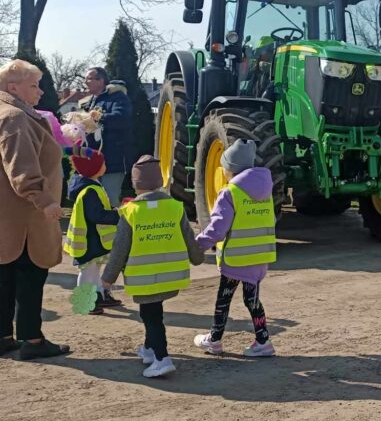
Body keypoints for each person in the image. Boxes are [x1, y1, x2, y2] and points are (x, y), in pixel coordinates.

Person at [0, 59, 71, 360]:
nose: (40, 91)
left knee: (6, 273)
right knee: (30, 272)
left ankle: (2, 338)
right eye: (34, 85)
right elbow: (22, 169)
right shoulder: (14, 117)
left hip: (2, 206)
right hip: (21, 209)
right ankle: (33, 340)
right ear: (13, 88)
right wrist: (46, 201)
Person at [101, 156, 204, 378]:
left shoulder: (130, 212)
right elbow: (189, 238)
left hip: (144, 278)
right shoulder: (174, 207)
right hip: (170, 276)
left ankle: (161, 358)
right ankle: (149, 349)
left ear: (136, 184)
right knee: (154, 311)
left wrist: (107, 280)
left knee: (151, 316)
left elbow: (119, 250)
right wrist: (197, 258)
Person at [193, 139, 278, 357]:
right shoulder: (266, 190)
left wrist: (197, 245)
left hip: (236, 258)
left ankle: (214, 340)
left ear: (230, 169)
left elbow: (217, 230)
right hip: (260, 256)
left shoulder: (230, 192)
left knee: (223, 300)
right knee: (252, 300)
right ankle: (263, 341)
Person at [63, 147, 121, 314]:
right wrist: (117, 215)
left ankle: (98, 296)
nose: (105, 165)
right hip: (88, 241)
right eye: (102, 163)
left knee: (94, 270)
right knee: (88, 272)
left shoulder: (91, 186)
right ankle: (84, 302)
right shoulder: (89, 191)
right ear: (94, 169)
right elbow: (97, 215)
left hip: (94, 239)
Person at [80, 67, 132, 206]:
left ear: (101, 81)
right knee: (93, 201)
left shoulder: (118, 97)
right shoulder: (91, 101)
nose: (86, 82)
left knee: (110, 201)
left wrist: (97, 118)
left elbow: (121, 118)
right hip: (92, 160)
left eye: (89, 78)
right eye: (85, 79)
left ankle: (115, 221)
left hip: (112, 162)